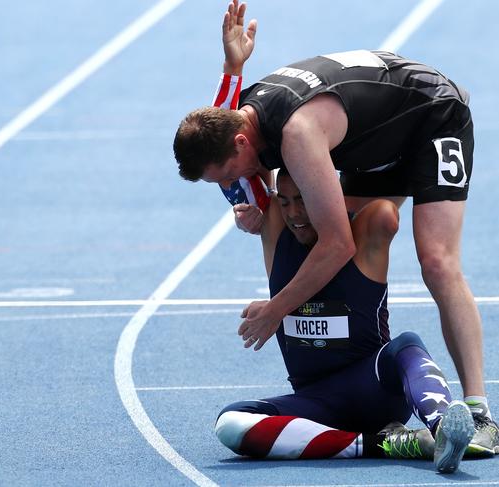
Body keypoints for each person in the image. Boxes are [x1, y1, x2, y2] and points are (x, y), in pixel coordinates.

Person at [173, 0, 498, 454]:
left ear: (243, 142)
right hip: (371, 143)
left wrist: (275, 310)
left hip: (430, 117)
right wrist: (232, 65)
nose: (231, 187)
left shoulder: (297, 136)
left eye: (229, 176)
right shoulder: (235, 122)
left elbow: (338, 245)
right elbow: (219, 119)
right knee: (308, 217)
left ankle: (481, 413)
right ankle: (373, 412)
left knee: (436, 261)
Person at [215, 170, 477, 473]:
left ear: (326, 197)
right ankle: (386, 443)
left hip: (376, 389)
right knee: (231, 423)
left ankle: (443, 426)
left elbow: (385, 212)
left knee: (407, 344)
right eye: (285, 203)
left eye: (303, 200)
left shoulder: (365, 235)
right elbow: (239, 154)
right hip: (318, 404)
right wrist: (245, 209)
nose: (294, 214)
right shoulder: (276, 231)